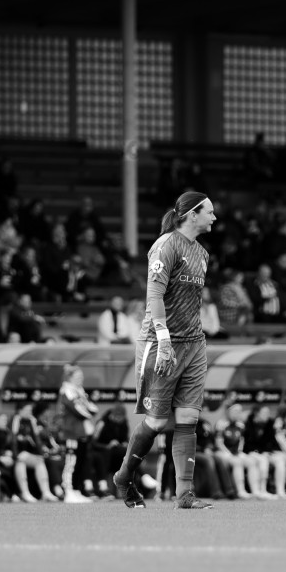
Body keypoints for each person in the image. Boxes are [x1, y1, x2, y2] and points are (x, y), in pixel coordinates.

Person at [113, 191, 216, 510]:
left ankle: (184, 495)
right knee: (157, 423)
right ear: (192, 214)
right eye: (209, 212)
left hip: (194, 344)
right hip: (161, 343)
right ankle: (124, 477)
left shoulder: (202, 254)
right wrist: (165, 340)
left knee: (188, 418)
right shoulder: (165, 245)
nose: (214, 217)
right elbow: (154, 295)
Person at [56, 364, 98, 503]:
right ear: (70, 377)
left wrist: (91, 410)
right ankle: (68, 491)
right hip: (71, 432)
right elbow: (78, 409)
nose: (81, 378)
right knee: (71, 462)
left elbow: (90, 406)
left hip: (81, 432)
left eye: (81, 376)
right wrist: (90, 413)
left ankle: (76, 490)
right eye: (78, 376)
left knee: (81, 462)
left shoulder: (79, 390)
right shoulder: (67, 390)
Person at [10, 401, 58, 502]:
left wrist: (41, 454)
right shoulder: (14, 420)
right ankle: (25, 493)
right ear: (19, 411)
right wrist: (16, 455)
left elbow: (37, 441)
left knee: (39, 461)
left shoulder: (30, 421)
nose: (29, 413)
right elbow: (12, 440)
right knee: (21, 461)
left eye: (30, 410)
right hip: (14, 456)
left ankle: (46, 492)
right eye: (27, 410)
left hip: (28, 455)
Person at [214, 402, 259, 499]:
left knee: (251, 461)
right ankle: (241, 491)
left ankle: (255, 491)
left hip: (235, 452)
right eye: (235, 411)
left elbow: (241, 441)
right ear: (228, 412)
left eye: (239, 411)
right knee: (237, 462)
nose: (237, 414)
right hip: (222, 452)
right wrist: (229, 454)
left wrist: (239, 452)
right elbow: (219, 443)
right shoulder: (221, 424)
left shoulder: (241, 425)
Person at [92, 404, 130, 498]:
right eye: (118, 417)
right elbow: (93, 443)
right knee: (114, 455)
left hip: (118, 453)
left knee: (128, 454)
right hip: (103, 452)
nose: (119, 420)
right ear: (112, 415)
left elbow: (125, 439)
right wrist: (107, 446)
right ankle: (104, 489)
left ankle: (130, 489)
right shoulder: (102, 423)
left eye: (121, 417)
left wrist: (125, 443)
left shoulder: (124, 423)